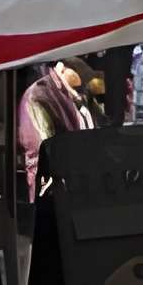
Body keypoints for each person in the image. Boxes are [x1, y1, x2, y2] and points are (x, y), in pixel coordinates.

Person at [16, 55, 98, 198]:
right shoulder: (38, 97)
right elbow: (47, 153)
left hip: (82, 185)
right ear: (61, 68)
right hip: (55, 191)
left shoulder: (79, 95)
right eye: (79, 82)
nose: (82, 87)